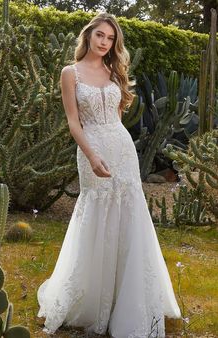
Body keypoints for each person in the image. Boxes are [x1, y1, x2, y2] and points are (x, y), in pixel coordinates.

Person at [37, 12, 181, 338]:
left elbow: (116, 119)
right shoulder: (69, 73)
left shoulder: (114, 72)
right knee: (96, 213)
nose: (104, 42)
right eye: (100, 35)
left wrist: (113, 148)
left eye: (111, 38)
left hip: (122, 150)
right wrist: (92, 154)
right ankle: (90, 300)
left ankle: (126, 298)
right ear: (88, 35)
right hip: (91, 149)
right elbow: (74, 123)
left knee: (128, 215)